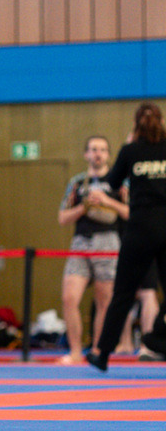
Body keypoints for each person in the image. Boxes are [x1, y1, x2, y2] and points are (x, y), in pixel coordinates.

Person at [88, 104, 166, 371]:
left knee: (123, 292)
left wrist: (129, 147)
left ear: (135, 125)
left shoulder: (131, 150)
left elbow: (110, 182)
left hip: (140, 226)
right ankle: (157, 336)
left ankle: (103, 352)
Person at [57, 136, 128, 364]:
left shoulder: (119, 181)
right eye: (93, 150)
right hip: (81, 241)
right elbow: (62, 218)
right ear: (86, 154)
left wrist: (107, 202)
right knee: (69, 297)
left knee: (104, 300)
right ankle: (76, 352)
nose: (98, 154)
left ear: (108, 154)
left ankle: (97, 351)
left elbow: (130, 212)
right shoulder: (77, 182)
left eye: (102, 150)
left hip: (108, 241)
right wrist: (84, 206)